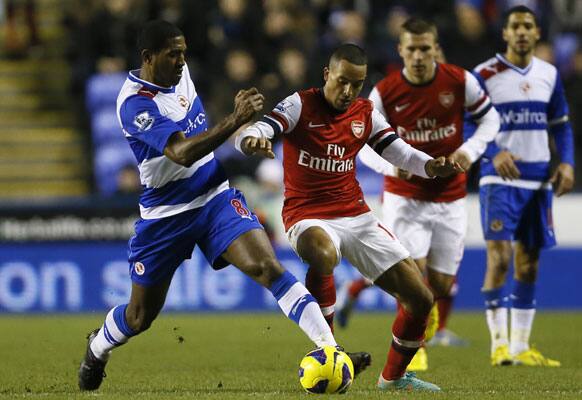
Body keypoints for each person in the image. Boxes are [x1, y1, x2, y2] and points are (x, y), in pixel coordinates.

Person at [77, 20, 371, 391]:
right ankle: (98, 347)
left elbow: (202, 131)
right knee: (139, 317)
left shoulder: (182, 76)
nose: (183, 61)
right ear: (148, 58)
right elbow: (180, 152)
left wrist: (249, 137)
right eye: (174, 55)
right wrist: (235, 119)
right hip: (166, 216)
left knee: (269, 267)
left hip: (215, 197)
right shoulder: (134, 103)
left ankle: (331, 351)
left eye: (184, 52)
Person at [237, 43, 466, 392]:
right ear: (327, 74)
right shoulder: (301, 104)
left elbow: (399, 151)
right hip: (306, 216)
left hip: (357, 216)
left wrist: (430, 166)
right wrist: (253, 139)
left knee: (421, 298)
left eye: (355, 85)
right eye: (342, 81)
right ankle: (329, 348)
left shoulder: (365, 113)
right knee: (325, 254)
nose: (347, 92)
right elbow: (263, 128)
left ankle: (393, 379)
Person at [337, 17, 501, 371]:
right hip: (404, 196)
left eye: (425, 48)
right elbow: (360, 141)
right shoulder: (386, 92)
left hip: (450, 195)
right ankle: (415, 348)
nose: (419, 55)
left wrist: (468, 153)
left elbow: (490, 120)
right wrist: (389, 167)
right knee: (413, 274)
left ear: (435, 48)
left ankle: (356, 289)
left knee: (440, 283)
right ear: (401, 50)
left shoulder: (460, 81)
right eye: (411, 49)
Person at [473, 5, 575, 367]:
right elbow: (467, 125)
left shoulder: (548, 73)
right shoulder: (484, 74)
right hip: (499, 179)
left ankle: (520, 347)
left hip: (538, 180)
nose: (520, 31)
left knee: (528, 263)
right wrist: (492, 151)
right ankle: (498, 344)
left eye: (527, 26)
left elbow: (561, 124)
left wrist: (566, 162)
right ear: (504, 33)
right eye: (514, 25)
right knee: (499, 258)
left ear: (536, 33)